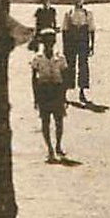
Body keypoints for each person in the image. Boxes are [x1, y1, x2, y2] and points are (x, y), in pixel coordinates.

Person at [29, 28, 68, 162]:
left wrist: (64, 96)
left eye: (51, 41)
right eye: (46, 41)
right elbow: (34, 78)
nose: (49, 44)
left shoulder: (60, 57)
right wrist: (36, 97)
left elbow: (65, 76)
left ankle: (58, 145)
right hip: (44, 90)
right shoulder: (37, 58)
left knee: (59, 121)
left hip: (56, 90)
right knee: (45, 121)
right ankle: (50, 149)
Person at [62, 0, 97, 106]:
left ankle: (82, 90)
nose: (78, 0)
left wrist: (92, 45)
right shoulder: (69, 13)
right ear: (72, 0)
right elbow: (65, 30)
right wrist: (65, 46)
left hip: (83, 41)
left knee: (83, 65)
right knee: (69, 65)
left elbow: (92, 29)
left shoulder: (88, 13)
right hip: (71, 41)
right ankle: (65, 90)